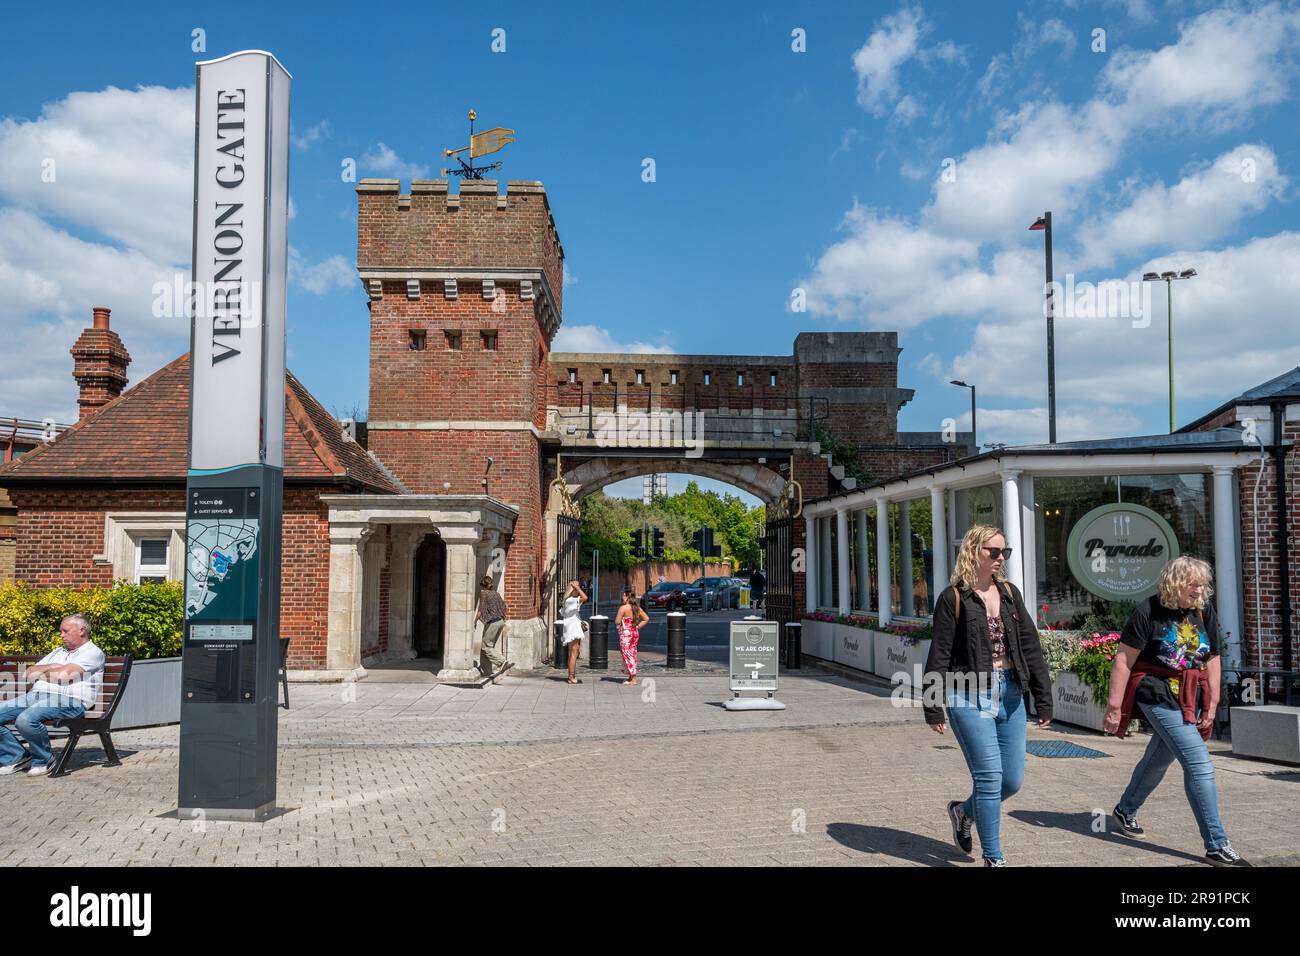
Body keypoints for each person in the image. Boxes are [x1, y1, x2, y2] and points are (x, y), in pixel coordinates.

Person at [1105, 556, 1248, 867]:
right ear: (1174, 583)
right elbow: (1123, 661)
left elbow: (1212, 658)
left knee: (1159, 757)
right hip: (1155, 692)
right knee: (1199, 764)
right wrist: (1114, 707)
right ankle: (1216, 844)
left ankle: (1125, 810)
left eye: (1202, 584)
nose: (1199, 590)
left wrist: (1211, 704)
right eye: (1192, 584)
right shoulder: (1148, 611)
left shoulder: (1202, 610)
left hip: (1189, 694)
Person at [925, 525, 1053, 866]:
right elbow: (938, 654)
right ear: (973, 551)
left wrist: (1043, 697)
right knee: (988, 777)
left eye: (1004, 553)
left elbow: (1030, 646)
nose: (1000, 558)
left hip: (1011, 692)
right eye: (993, 551)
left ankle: (963, 812)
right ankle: (994, 858)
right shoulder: (953, 597)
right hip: (968, 696)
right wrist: (933, 707)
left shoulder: (1009, 592)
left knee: (1010, 781)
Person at [0, 614, 105, 776]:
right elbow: (28, 673)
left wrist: (46, 672)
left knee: (26, 719)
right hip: (38, 695)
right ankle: (16, 757)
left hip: (70, 701)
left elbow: (64, 676)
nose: (61, 635)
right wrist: (54, 666)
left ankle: (44, 760)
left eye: (65, 631)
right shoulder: (58, 652)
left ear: (81, 631)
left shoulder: (92, 652)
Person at [475, 575, 510, 683]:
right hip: (500, 621)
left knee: (486, 647)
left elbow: (481, 609)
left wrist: (474, 621)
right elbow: (504, 606)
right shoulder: (496, 593)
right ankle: (487, 671)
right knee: (487, 647)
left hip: (493, 622)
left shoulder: (483, 593)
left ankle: (501, 662)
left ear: (483, 585)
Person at [615, 588, 649, 686]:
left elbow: (617, 621)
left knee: (628, 655)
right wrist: (637, 626)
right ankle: (630, 677)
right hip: (634, 633)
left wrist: (622, 619)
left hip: (626, 635)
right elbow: (646, 619)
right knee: (632, 653)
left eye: (623, 596)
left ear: (626, 596)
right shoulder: (637, 608)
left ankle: (633, 678)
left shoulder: (623, 608)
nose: (622, 598)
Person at [560, 579, 589, 684]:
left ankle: (571, 675)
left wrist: (576, 587)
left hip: (571, 626)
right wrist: (577, 588)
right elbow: (585, 597)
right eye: (577, 587)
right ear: (572, 589)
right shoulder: (571, 600)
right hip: (573, 627)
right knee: (574, 652)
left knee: (573, 652)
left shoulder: (568, 600)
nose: (579, 588)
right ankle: (571, 677)